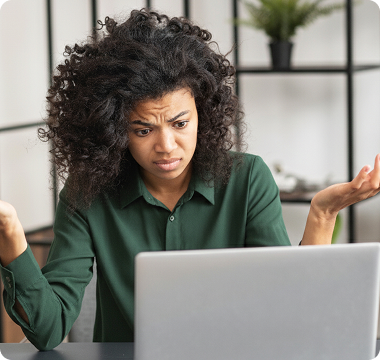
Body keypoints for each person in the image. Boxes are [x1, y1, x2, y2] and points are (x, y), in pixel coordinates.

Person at [0, 9, 379, 351]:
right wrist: (13, 237)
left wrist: (322, 214)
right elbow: (48, 332)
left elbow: (291, 309)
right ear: (114, 130)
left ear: (204, 113)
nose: (166, 146)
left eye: (180, 124)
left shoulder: (247, 178)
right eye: (142, 129)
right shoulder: (87, 194)